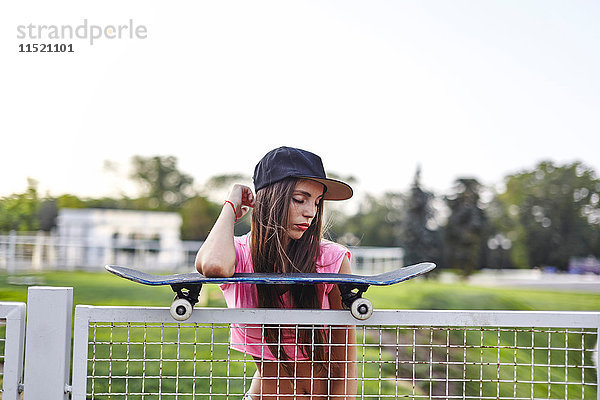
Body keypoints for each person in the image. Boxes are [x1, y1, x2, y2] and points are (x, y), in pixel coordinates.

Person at [195, 146, 357, 400]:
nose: (311, 213)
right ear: (272, 198)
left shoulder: (329, 259)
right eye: (299, 199)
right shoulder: (240, 256)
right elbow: (214, 266)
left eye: (316, 202)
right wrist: (231, 203)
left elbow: (345, 360)